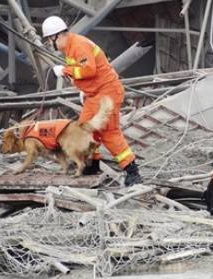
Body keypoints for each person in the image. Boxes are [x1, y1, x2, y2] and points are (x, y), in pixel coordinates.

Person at [41, 16, 142, 186]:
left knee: (109, 132)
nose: (52, 44)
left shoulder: (78, 45)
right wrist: (84, 90)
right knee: (85, 130)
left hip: (107, 92)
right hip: (96, 93)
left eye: (50, 40)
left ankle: (132, 171)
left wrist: (66, 70)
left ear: (55, 36)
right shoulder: (72, 47)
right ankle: (92, 165)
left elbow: (89, 70)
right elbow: (87, 73)